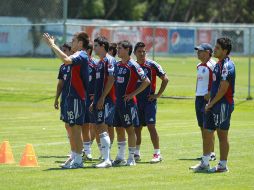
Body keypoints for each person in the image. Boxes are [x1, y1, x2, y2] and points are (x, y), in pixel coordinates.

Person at [43, 32, 90, 169]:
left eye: (74, 40)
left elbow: (66, 60)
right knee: (72, 128)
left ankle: (78, 160)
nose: (72, 43)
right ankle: (75, 157)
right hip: (69, 98)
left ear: (80, 43)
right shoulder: (75, 55)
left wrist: (52, 45)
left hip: (77, 97)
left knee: (76, 129)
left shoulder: (81, 55)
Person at [190, 37, 235, 173]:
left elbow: (223, 88)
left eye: (217, 48)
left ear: (225, 51)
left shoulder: (227, 65)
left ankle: (222, 165)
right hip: (212, 104)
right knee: (207, 132)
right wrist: (210, 103)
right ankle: (204, 162)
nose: (214, 50)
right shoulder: (218, 65)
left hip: (222, 105)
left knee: (222, 135)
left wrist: (212, 103)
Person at [112, 40, 150, 166]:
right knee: (118, 128)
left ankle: (131, 158)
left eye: (120, 48)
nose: (117, 50)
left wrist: (133, 94)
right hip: (118, 103)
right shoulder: (117, 65)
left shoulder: (133, 65)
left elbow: (146, 81)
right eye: (117, 48)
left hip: (128, 104)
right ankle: (120, 156)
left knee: (130, 129)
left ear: (127, 50)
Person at [133, 42, 168, 163]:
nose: (142, 54)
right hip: (136, 102)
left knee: (151, 127)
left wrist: (157, 95)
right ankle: (136, 153)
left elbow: (165, 79)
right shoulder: (133, 65)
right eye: (139, 52)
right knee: (137, 128)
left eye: (144, 51)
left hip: (149, 101)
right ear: (134, 53)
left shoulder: (152, 65)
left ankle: (157, 153)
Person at [90, 36, 116, 168]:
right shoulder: (99, 63)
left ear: (102, 46)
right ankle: (106, 158)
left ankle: (107, 160)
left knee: (103, 126)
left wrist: (102, 98)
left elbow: (111, 79)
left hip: (107, 100)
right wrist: (95, 100)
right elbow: (98, 85)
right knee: (99, 127)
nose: (93, 48)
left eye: (95, 45)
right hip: (99, 100)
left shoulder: (109, 60)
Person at [193, 43, 216, 161]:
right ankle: (205, 152)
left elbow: (218, 82)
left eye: (200, 51)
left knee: (209, 127)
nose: (198, 53)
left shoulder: (213, 65)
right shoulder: (199, 65)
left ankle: (211, 152)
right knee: (202, 126)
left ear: (208, 52)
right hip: (199, 98)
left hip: (208, 99)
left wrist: (210, 93)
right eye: (197, 51)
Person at [54, 43, 72, 157]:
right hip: (65, 99)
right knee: (67, 125)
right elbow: (60, 84)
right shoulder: (63, 67)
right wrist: (56, 99)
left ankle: (84, 149)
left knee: (75, 125)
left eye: (65, 50)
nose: (63, 52)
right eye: (62, 50)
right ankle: (73, 149)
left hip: (75, 99)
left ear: (71, 51)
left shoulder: (75, 65)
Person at [81, 43, 97, 161]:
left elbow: (100, 82)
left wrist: (96, 97)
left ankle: (102, 153)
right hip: (80, 98)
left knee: (93, 125)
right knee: (82, 125)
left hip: (91, 99)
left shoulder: (95, 64)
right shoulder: (78, 63)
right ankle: (85, 150)